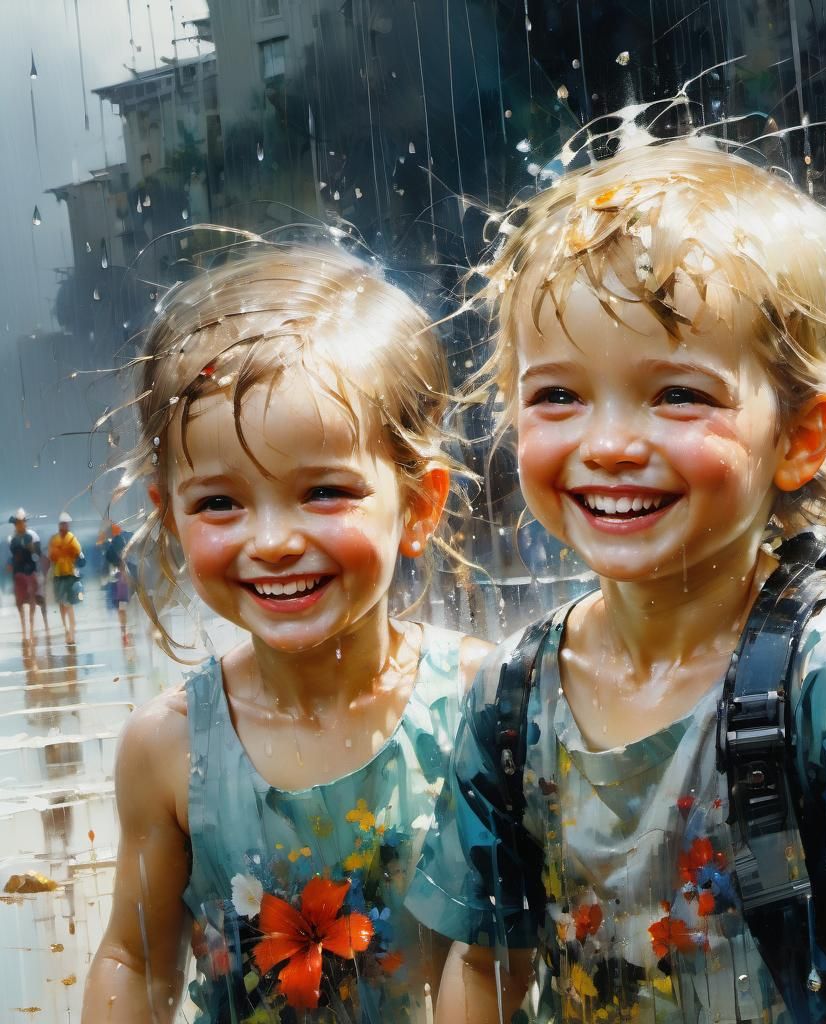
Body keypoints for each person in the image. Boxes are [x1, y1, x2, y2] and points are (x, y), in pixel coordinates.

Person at [407, 139, 826, 1023]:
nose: (610, 442)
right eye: (557, 396)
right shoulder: (513, 697)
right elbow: (483, 967)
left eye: (677, 395)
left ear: (803, 437)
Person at [81, 244, 490, 1024]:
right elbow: (133, 958)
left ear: (419, 505)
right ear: (171, 520)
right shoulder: (171, 750)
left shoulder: (480, 703)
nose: (270, 540)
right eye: (221, 505)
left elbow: (510, 947)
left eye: (324, 491)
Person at [48, 511, 83, 645]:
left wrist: (72, 553)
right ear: (59, 525)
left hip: (70, 575)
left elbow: (79, 555)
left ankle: (71, 632)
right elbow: (52, 557)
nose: (64, 526)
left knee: (69, 604)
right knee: (62, 604)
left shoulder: (72, 538)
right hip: (58, 576)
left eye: (66, 524)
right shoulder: (54, 539)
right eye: (63, 524)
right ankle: (66, 629)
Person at [8, 508, 43, 642]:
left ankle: (32, 628)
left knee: (33, 599)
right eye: (18, 522)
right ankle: (24, 630)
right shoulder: (13, 538)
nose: (21, 524)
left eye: (22, 522)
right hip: (18, 574)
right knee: (20, 602)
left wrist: (31, 548)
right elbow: (14, 554)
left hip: (30, 571)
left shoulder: (33, 536)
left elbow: (37, 554)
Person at [101, 523, 132, 644]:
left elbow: (111, 559)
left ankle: (124, 631)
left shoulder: (113, 546)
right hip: (122, 581)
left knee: (121, 608)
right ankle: (125, 630)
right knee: (122, 608)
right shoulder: (122, 543)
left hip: (119, 582)